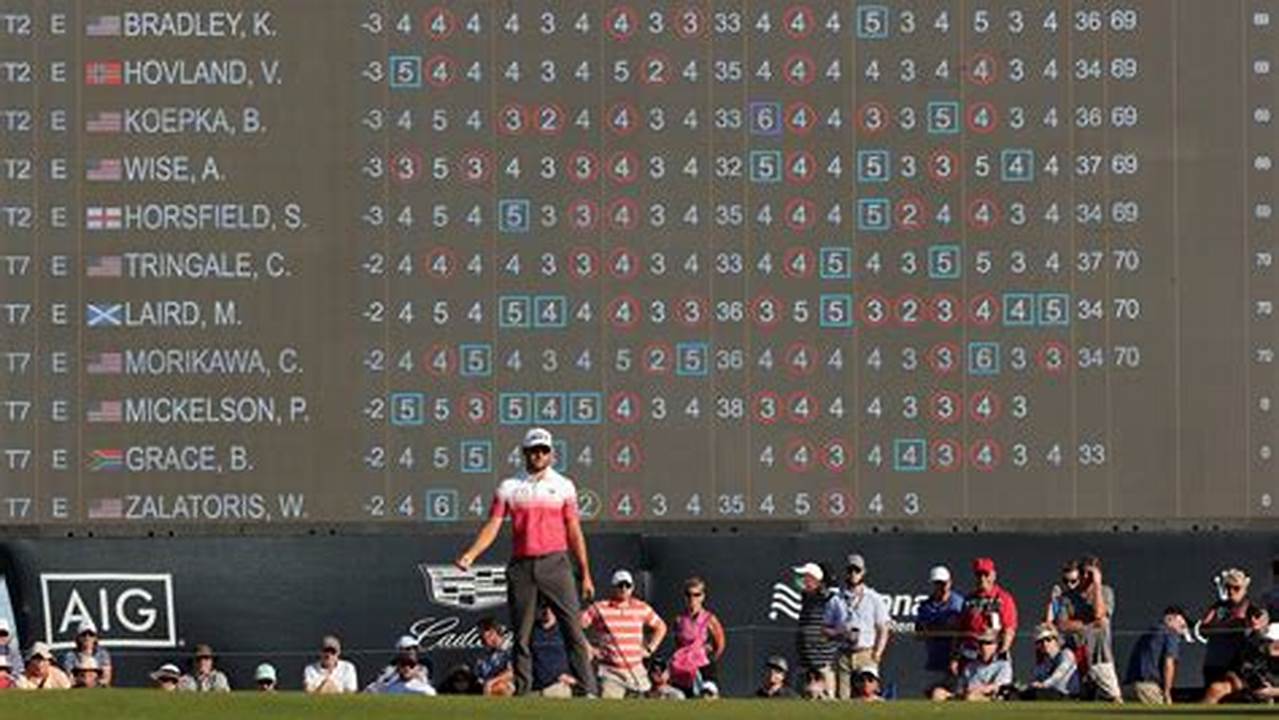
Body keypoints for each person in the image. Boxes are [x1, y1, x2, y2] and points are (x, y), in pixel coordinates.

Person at [456, 427, 598, 697]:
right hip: (522, 567)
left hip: (556, 563)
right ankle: (523, 693)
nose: (539, 455)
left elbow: (574, 531)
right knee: (521, 636)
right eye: (534, 450)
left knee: (573, 631)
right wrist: (471, 553)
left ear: (552, 454)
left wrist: (586, 573)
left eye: (544, 450)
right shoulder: (509, 487)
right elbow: (493, 525)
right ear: (525, 453)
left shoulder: (564, 485)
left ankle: (588, 690)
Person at [582, 569, 668, 698]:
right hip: (610, 672)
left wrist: (650, 649)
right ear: (613, 587)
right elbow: (576, 627)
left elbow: (661, 627)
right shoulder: (599, 608)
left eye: (627, 585)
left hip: (636, 671)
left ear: (632, 588)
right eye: (620, 585)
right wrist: (588, 648)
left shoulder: (641, 608)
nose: (624, 588)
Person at [823, 552, 891, 699]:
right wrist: (839, 632)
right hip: (843, 655)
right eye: (850, 570)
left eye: (857, 570)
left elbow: (883, 629)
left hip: (866, 653)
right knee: (843, 697)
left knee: (867, 695)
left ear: (863, 572)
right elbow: (825, 630)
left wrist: (877, 654)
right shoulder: (836, 600)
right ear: (846, 572)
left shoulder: (874, 598)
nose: (853, 574)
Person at [1055, 555, 1121, 702]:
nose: (1086, 577)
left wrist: (1096, 584)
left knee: (1114, 697)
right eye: (1083, 572)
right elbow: (1062, 624)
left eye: (1089, 573)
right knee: (1084, 698)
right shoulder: (1068, 597)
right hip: (1079, 654)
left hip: (1100, 654)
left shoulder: (1105, 592)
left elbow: (1099, 613)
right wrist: (1088, 624)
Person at [669, 576, 725, 697]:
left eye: (696, 594)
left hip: (703, 668)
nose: (692, 598)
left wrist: (710, 660)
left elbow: (720, 643)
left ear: (703, 596)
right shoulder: (679, 620)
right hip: (682, 670)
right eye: (688, 594)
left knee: (707, 699)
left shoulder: (710, 619)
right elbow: (678, 644)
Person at [1204, 605, 1272, 703]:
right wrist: (1236, 681)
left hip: (1272, 686)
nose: (1253, 620)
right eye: (1250, 616)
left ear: (1266, 619)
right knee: (1216, 689)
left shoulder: (1273, 640)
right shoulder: (1242, 643)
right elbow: (1232, 670)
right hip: (1246, 684)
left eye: (1257, 616)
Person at [916, 564, 964, 696]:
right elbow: (919, 633)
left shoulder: (958, 603)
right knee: (931, 695)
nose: (942, 587)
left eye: (944, 583)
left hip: (956, 663)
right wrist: (943, 627)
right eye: (938, 583)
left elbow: (960, 632)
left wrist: (955, 659)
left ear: (950, 582)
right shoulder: (925, 607)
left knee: (956, 698)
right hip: (934, 662)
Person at [959, 557, 1018, 664]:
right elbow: (961, 629)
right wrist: (955, 657)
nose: (982, 578)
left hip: (994, 655)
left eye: (986, 574)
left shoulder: (1003, 598)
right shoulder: (968, 600)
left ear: (993, 575)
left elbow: (1009, 628)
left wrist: (1003, 651)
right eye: (979, 575)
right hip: (970, 656)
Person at [1201, 568, 1253, 687]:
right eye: (1228, 587)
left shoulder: (1250, 607)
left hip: (1235, 665)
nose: (1231, 591)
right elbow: (1203, 628)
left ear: (1244, 589)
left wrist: (1218, 626)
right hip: (1213, 662)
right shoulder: (1218, 607)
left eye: (1236, 588)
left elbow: (1239, 623)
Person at [1124, 606, 1187, 704]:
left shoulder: (1149, 632)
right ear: (1171, 618)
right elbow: (1169, 664)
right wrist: (1167, 693)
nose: (1183, 629)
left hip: (1129, 688)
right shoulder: (1170, 633)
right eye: (1182, 625)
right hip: (1148, 688)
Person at [932, 629, 1011, 701]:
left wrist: (979, 689)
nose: (984, 647)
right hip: (966, 694)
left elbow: (1000, 686)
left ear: (996, 646)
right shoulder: (971, 666)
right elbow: (961, 686)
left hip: (986, 697)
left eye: (988, 643)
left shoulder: (1003, 665)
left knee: (971, 697)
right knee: (937, 693)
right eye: (981, 643)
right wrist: (959, 692)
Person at [794, 562, 836, 691]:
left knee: (828, 706)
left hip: (822, 665)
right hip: (804, 663)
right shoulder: (806, 598)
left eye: (804, 577)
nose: (800, 580)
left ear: (815, 580)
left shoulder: (828, 598)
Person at [1021, 623, 1079, 700]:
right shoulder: (1043, 662)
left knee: (1036, 694)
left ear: (1056, 640)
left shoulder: (1066, 653)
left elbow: (1059, 673)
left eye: (1048, 639)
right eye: (1040, 642)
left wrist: (1044, 685)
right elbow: (1035, 679)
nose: (1045, 644)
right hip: (1049, 693)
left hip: (1067, 694)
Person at [530, 605, 575, 698]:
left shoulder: (565, 631)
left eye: (551, 609)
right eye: (544, 608)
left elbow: (579, 654)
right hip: (535, 685)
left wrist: (572, 677)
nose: (547, 612)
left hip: (558, 685)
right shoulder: (531, 631)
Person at [365, 636, 430, 692]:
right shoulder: (390, 669)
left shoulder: (424, 668)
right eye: (408, 649)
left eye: (415, 649)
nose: (412, 652)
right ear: (400, 651)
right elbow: (378, 686)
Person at [59, 620, 113, 687]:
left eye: (91, 635)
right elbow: (69, 678)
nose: (87, 638)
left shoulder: (102, 655)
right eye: (84, 635)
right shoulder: (70, 656)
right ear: (78, 638)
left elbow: (106, 678)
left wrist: (95, 683)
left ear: (95, 638)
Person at [474, 617, 514, 696]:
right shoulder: (483, 652)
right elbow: (479, 673)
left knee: (500, 687)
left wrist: (491, 682)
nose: (480, 638)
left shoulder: (510, 650)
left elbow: (511, 673)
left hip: (506, 685)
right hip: (484, 685)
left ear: (492, 632)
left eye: (482, 634)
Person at [367, 652, 436, 695]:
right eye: (403, 664)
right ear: (398, 667)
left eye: (411, 665)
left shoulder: (425, 690)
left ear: (417, 668)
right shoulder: (389, 687)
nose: (407, 668)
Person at [1045, 560, 1082, 625]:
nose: (1069, 585)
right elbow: (1048, 622)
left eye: (1073, 581)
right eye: (1065, 581)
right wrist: (1052, 600)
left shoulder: (1086, 596)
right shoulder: (1061, 596)